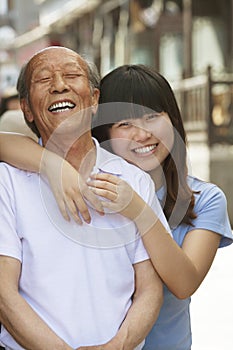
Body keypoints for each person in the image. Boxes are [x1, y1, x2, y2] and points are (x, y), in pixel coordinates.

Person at [0, 64, 232, 350]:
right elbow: (5, 144)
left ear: (172, 118)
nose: (142, 134)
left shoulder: (205, 199)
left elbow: (183, 283)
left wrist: (137, 208)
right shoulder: (84, 181)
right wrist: (52, 165)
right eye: (124, 124)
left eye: (151, 117)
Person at [0, 48, 168, 350]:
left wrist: (117, 346)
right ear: (26, 109)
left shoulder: (134, 181)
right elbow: (3, 293)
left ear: (94, 100)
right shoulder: (6, 182)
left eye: (72, 75)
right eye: (44, 79)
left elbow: (150, 287)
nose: (60, 85)